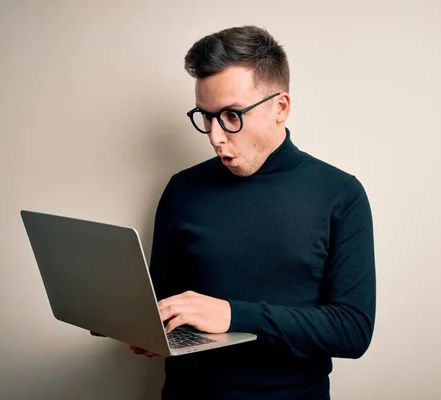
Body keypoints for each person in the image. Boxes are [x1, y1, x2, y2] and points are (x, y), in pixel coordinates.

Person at [132, 25, 376, 399]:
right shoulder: (182, 189)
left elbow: (352, 330)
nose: (215, 136)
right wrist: (143, 327)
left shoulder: (340, 194)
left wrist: (235, 315)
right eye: (206, 116)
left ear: (280, 108)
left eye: (231, 115)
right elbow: (163, 300)